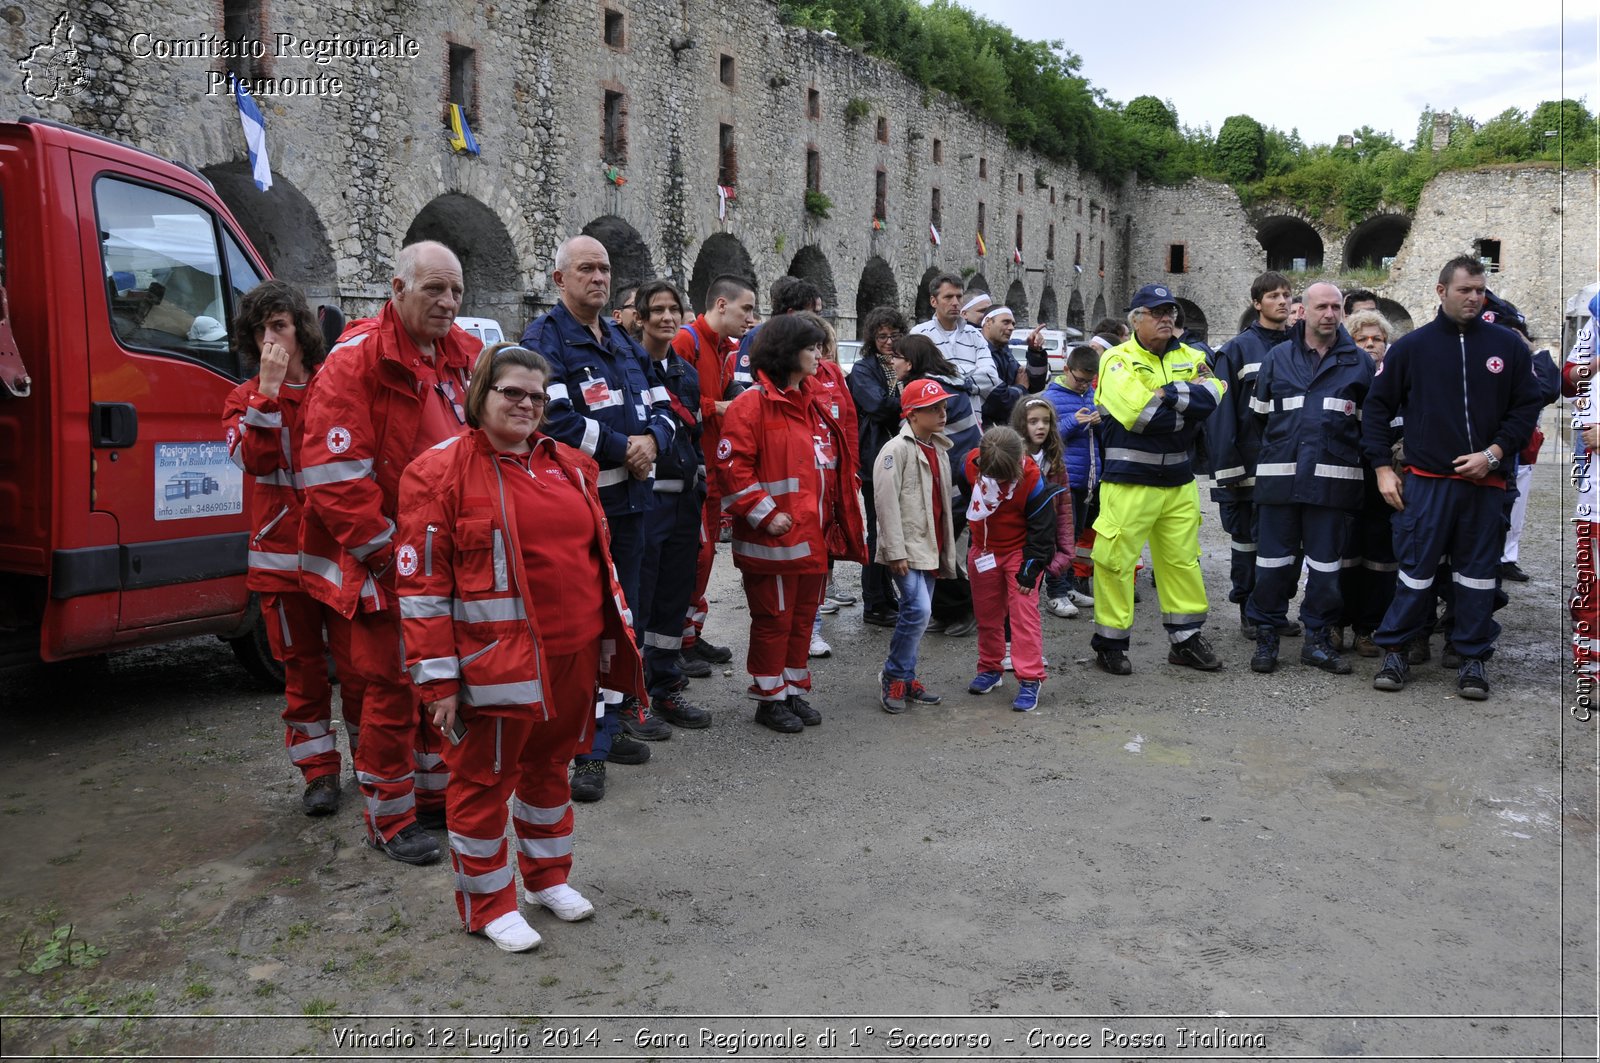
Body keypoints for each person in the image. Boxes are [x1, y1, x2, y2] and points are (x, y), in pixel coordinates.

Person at [396, 343, 645, 952]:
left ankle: (547, 878)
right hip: (494, 665)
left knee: (550, 767)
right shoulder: (437, 472)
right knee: (483, 781)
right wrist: (438, 681)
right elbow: (422, 587)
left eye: (538, 396)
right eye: (513, 392)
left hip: (574, 652)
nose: (527, 405)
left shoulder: (569, 465)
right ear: (480, 393)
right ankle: (487, 903)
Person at [299, 240, 479, 866]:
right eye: (435, 289)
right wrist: (387, 556)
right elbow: (334, 479)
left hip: (441, 557)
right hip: (382, 560)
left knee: (437, 680)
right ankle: (388, 819)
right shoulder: (356, 361)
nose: (449, 302)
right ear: (397, 290)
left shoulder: (463, 354)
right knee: (389, 688)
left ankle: (430, 798)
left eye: (456, 290)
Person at [520, 235, 678, 800]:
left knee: (624, 622)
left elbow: (663, 403)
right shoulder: (544, 339)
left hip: (633, 506)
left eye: (605, 269)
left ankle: (606, 734)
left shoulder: (618, 336)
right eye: (587, 268)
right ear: (559, 279)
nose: (599, 277)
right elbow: (551, 418)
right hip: (582, 510)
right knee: (584, 627)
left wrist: (653, 441)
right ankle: (581, 750)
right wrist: (623, 447)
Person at [1363, 256, 1543, 700]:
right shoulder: (1412, 348)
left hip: (1486, 483)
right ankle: (1397, 649)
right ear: (1441, 291)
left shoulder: (1508, 346)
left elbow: (1526, 409)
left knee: (1479, 576)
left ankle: (1473, 658)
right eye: (1465, 290)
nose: (1475, 297)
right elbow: (1377, 409)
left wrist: (1494, 453)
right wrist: (1383, 468)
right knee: (1416, 572)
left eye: (1480, 290)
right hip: (1427, 482)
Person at [223, 280, 363, 817]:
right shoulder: (243, 398)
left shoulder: (334, 386)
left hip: (339, 555)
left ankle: (372, 766)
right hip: (282, 566)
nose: (269, 340)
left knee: (359, 670)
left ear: (301, 331)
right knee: (302, 673)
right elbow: (254, 461)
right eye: (259, 330)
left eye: (278, 326)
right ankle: (319, 776)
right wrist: (268, 391)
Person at [716, 313, 865, 732]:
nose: (820, 355)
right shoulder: (751, 406)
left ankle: (792, 689)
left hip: (811, 538)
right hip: (774, 540)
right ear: (787, 352)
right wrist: (767, 515)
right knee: (774, 621)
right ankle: (768, 697)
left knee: (803, 619)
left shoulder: (814, 402)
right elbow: (732, 469)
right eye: (812, 348)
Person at [1089, 284, 1226, 677]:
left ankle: (1185, 640)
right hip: (1130, 481)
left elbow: (1215, 396)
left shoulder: (1193, 354)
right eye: (1157, 312)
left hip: (1180, 482)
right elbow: (1140, 415)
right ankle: (1110, 645)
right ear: (1136, 319)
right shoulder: (1117, 359)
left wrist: (1167, 395)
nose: (1168, 318)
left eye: (1171, 312)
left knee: (1183, 563)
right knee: (1116, 563)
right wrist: (1188, 400)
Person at [1244, 282, 1373, 675]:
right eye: (1322, 307)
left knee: (1326, 570)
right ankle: (1266, 636)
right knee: (1270, 565)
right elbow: (1257, 419)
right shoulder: (1278, 358)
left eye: (1336, 307)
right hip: (1280, 482)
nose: (1329, 314)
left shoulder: (1359, 363)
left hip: (1332, 486)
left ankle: (1317, 640)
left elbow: (1369, 428)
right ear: (1304, 310)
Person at [632, 279, 714, 728]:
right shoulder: (630, 368)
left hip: (684, 504)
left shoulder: (685, 372)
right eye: (657, 310)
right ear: (640, 318)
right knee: (640, 602)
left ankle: (664, 688)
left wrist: (699, 483)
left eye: (673, 309)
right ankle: (632, 698)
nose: (667, 317)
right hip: (645, 506)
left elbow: (695, 434)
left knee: (672, 602)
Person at [673, 274, 757, 671]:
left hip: (711, 467)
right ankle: (678, 643)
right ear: (721, 305)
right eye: (746, 309)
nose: (750, 318)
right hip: (692, 466)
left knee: (704, 557)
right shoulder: (687, 340)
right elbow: (673, 400)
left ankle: (692, 635)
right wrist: (718, 408)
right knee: (697, 554)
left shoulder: (724, 347)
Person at [1206, 272, 1297, 639]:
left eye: (1286, 295)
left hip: (1291, 462)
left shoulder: (1301, 345)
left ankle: (1273, 610)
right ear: (1257, 303)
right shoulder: (1236, 350)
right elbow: (1222, 413)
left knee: (1286, 542)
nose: (1282, 301)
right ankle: (1249, 609)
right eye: (1273, 295)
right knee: (1247, 540)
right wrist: (1227, 470)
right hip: (1249, 464)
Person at [873, 378, 959, 714]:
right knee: (919, 610)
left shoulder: (938, 447)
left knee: (918, 614)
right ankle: (893, 675)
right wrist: (895, 550)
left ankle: (906, 678)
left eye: (942, 406)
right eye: (932, 408)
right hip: (907, 549)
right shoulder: (895, 450)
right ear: (912, 414)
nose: (942, 413)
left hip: (930, 547)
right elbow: (885, 503)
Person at [964, 427, 1063, 711]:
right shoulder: (970, 464)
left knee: (1023, 617)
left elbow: (1043, 531)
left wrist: (1030, 570)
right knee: (987, 615)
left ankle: (1030, 678)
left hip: (1020, 553)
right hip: (983, 551)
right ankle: (990, 668)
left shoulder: (1033, 479)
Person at [895, 334, 981, 637]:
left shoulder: (931, 390)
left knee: (940, 548)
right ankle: (945, 612)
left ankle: (963, 609)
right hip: (958, 479)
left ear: (910, 361)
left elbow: (935, 441)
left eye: (897, 357)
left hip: (951, 482)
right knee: (937, 547)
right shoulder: (948, 380)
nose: (892, 363)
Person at [1334, 309, 1397, 657]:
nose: (1371, 344)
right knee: (1341, 556)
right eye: (1363, 339)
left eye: (1378, 339)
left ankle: (1368, 628)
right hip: (1346, 478)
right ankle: (1335, 624)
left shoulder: (1398, 377)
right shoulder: (1341, 375)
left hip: (1384, 483)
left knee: (1380, 559)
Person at [847, 306, 910, 627]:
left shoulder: (905, 365)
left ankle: (886, 597)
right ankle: (873, 602)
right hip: (875, 458)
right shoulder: (863, 370)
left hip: (903, 457)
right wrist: (907, 402)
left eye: (894, 335)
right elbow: (877, 406)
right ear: (872, 338)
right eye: (881, 336)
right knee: (878, 531)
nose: (887, 341)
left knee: (892, 531)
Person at [806, 313, 861, 657]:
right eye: (810, 347)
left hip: (833, 478)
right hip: (803, 482)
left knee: (824, 552)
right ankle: (804, 629)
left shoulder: (831, 375)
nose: (817, 353)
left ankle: (812, 629)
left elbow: (849, 423)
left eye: (819, 346)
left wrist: (851, 469)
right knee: (807, 557)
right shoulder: (786, 378)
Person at [1042, 344, 1103, 609]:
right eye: (1079, 379)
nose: (1083, 385)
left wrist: (1102, 422)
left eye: (1088, 381)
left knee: (1074, 536)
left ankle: (1067, 588)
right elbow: (1044, 437)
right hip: (1063, 480)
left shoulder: (1091, 394)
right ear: (1066, 369)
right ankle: (1055, 592)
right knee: (1060, 538)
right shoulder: (1051, 399)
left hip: (1086, 480)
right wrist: (1072, 423)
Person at [1011, 396, 1076, 619]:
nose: (1041, 427)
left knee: (1030, 602)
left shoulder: (1055, 461)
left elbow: (1065, 510)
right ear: (1021, 424)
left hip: (1041, 545)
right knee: (1016, 602)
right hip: (1017, 543)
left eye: (1046, 421)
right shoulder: (1012, 459)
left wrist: (1065, 553)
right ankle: (1013, 650)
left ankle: (1029, 652)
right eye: (1033, 421)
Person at [910, 272, 1000, 400]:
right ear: (933, 301)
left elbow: (991, 377)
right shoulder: (920, 335)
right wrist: (972, 371)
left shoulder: (975, 335)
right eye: (948, 297)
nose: (955, 302)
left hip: (973, 417)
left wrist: (947, 375)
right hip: (935, 415)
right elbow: (922, 378)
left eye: (959, 297)